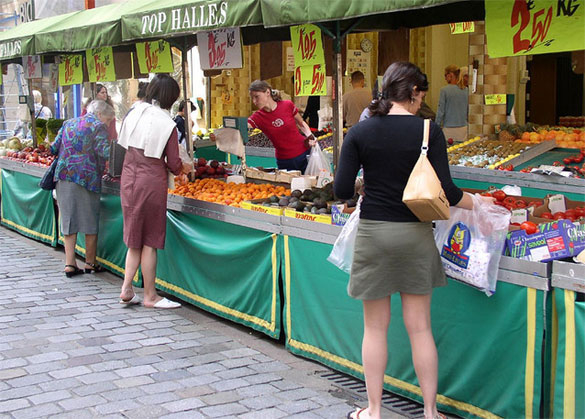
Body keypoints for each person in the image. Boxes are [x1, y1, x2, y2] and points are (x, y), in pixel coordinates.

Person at [334, 61, 491, 419]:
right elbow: (448, 194)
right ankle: (431, 413)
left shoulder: (361, 132)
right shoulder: (428, 131)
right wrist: (479, 203)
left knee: (374, 328)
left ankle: (373, 411)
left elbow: (341, 190)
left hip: (374, 233)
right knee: (420, 327)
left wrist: (365, 185)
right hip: (416, 235)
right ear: (414, 93)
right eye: (422, 94)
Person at [117, 74, 191, 309]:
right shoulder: (165, 122)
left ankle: (127, 288)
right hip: (150, 182)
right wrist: (185, 168)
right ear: (170, 97)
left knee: (134, 238)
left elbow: (122, 145)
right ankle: (150, 295)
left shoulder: (134, 111)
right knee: (149, 240)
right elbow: (173, 163)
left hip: (129, 178)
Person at [50, 99, 114, 277]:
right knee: (89, 219)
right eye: (108, 120)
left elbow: (53, 147)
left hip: (63, 175)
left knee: (68, 219)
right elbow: (104, 151)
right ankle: (90, 263)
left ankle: (70, 264)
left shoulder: (68, 122)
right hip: (87, 177)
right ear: (100, 114)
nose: (108, 124)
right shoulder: (98, 126)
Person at [247, 80, 315, 173]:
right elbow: (243, 127)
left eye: (257, 97)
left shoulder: (287, 105)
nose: (254, 101)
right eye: (252, 98)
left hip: (304, 154)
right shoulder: (257, 117)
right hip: (284, 161)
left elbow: (301, 123)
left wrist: (310, 136)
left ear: (267, 92)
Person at [435, 65, 468, 142]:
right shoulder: (466, 90)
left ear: (450, 75)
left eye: (445, 75)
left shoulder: (444, 90)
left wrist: (437, 126)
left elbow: (441, 111)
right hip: (463, 128)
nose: (445, 78)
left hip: (449, 128)